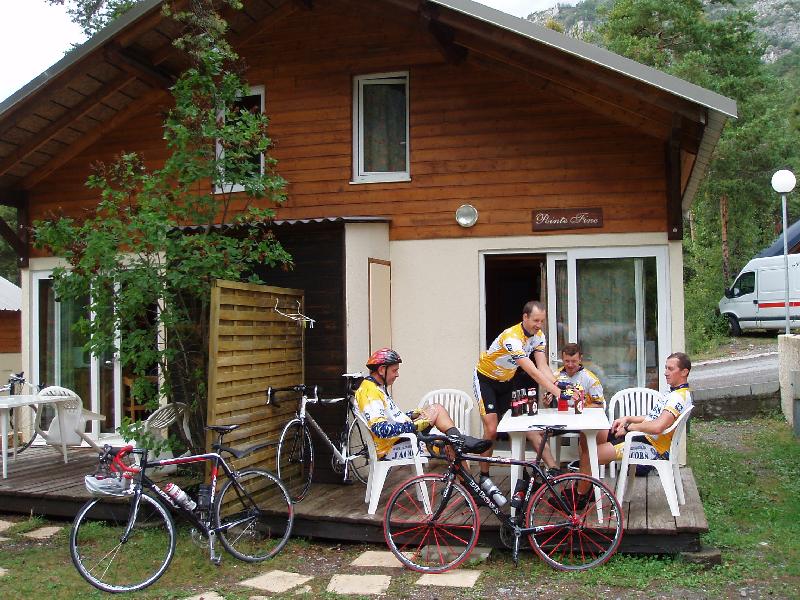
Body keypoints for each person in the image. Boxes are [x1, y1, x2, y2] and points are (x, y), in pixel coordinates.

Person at [575, 351, 693, 502]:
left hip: (650, 445)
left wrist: (630, 427)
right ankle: (587, 487)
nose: (665, 373)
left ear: (684, 372)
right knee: (588, 435)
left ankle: (579, 498)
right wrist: (628, 418)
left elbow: (658, 426)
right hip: (641, 435)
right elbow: (653, 418)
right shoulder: (675, 393)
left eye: (670, 369)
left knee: (589, 454)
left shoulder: (678, 397)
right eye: (665, 368)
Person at [474, 301, 564, 484]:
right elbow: (532, 371)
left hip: (507, 382)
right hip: (486, 380)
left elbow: (542, 365)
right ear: (525, 317)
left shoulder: (538, 336)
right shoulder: (511, 337)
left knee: (526, 425)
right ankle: (484, 477)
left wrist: (559, 385)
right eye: (535, 320)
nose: (539, 325)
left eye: (542, 321)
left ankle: (553, 469)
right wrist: (558, 393)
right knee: (491, 429)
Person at [356, 348, 485, 461]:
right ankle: (461, 442)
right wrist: (414, 426)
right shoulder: (370, 392)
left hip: (399, 440)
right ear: (382, 370)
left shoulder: (375, 387)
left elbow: (390, 418)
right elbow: (381, 430)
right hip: (391, 448)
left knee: (436, 410)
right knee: (451, 446)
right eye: (394, 370)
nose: (397, 375)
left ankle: (459, 441)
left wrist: (412, 415)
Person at [530, 342, 605, 471]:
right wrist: (547, 402)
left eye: (574, 361)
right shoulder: (555, 376)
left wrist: (580, 407)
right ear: (562, 359)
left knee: (586, 437)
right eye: (567, 361)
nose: (570, 365)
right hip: (561, 421)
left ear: (580, 359)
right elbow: (549, 404)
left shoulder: (590, 378)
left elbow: (599, 405)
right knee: (532, 432)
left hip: (582, 422)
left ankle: (583, 477)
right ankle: (553, 469)